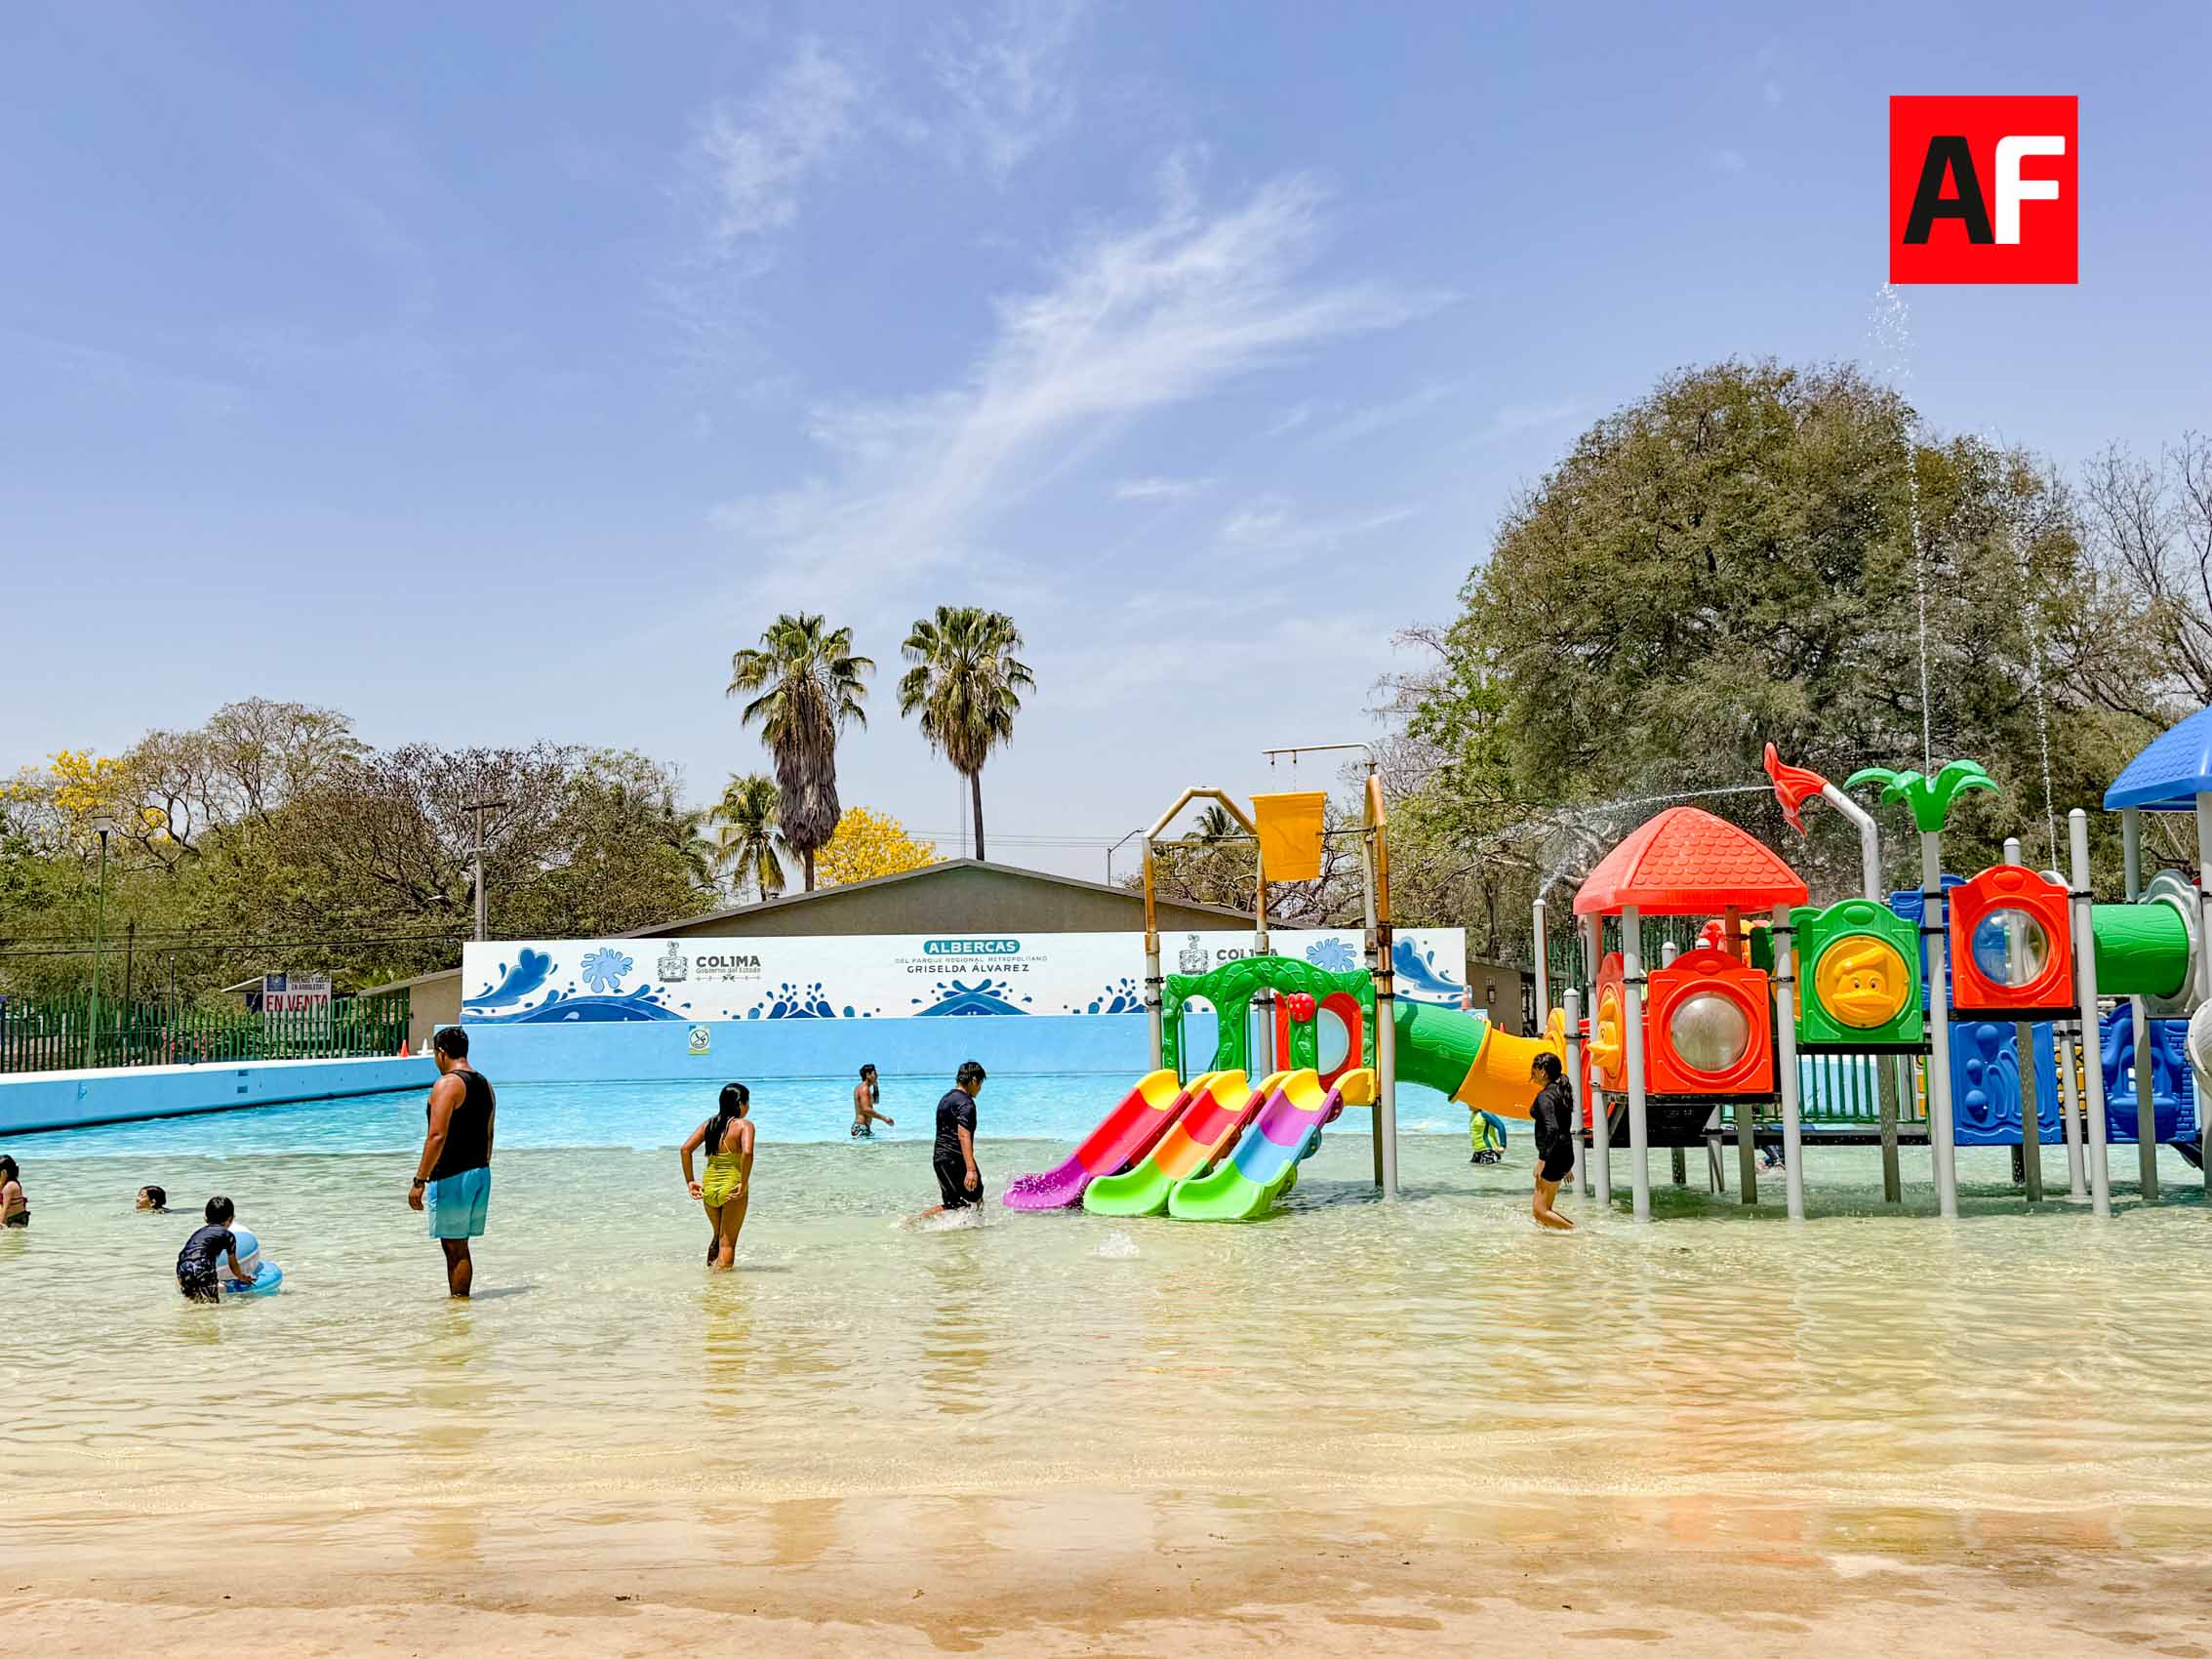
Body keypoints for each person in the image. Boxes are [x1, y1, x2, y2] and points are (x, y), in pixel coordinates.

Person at [408, 1026, 495, 1298]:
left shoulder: (448, 1084)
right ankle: (461, 1309)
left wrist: (419, 1181)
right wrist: (481, 1167)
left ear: (441, 1052)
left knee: (454, 1249)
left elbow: (436, 1136)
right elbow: (490, 1133)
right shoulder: (485, 1084)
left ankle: (459, 1308)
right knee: (460, 1245)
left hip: (453, 1175)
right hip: (480, 1172)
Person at [681, 1082, 756, 1271]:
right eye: (747, 1102)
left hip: (709, 1188)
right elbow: (747, 1153)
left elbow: (685, 1149)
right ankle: (723, 1285)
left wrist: (690, 1181)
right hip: (731, 1188)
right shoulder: (744, 1125)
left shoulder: (709, 1124)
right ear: (740, 1103)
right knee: (727, 1243)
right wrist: (743, 1183)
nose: (748, 1107)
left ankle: (710, 1278)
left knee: (718, 1236)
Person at [925, 1060, 986, 1214]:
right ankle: (979, 1226)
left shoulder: (946, 1099)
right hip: (955, 1160)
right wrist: (971, 1169)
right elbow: (963, 1135)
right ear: (973, 1080)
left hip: (940, 1159)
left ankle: (914, 1222)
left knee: (954, 1205)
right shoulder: (966, 1103)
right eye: (980, 1083)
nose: (980, 1088)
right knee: (976, 1201)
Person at [1528, 1053, 1576, 1231]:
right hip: (1563, 1154)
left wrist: (1542, 1160)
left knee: (1540, 1211)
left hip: (1553, 1157)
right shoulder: (1561, 1091)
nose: (1531, 1074)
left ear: (1542, 1071)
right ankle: (1550, 1243)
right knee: (1546, 1209)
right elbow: (1564, 1126)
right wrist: (1565, 1164)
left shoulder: (1545, 1096)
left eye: (1534, 1070)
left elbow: (1553, 1128)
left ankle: (1578, 1233)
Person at [176, 1195, 251, 1304]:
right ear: (231, 1219)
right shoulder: (227, 1235)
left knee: (194, 1301)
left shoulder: (199, 1232)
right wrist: (241, 1277)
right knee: (212, 1303)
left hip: (183, 1266)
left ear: (205, 1217)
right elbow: (233, 1264)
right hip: (202, 1265)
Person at [851, 1064, 894, 1139]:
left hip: (861, 1127)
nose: (877, 1075)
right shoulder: (864, 1089)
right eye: (875, 1073)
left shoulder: (864, 1088)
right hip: (861, 1128)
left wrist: (875, 1086)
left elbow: (876, 1101)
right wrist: (884, 1118)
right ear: (868, 1075)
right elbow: (866, 1109)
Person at [0, 1155, 25, 1229]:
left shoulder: (9, 1187)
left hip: (14, 1222)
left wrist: (0, 1224)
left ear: (4, 1173)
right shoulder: (11, 1182)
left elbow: (5, 1209)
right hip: (15, 1219)